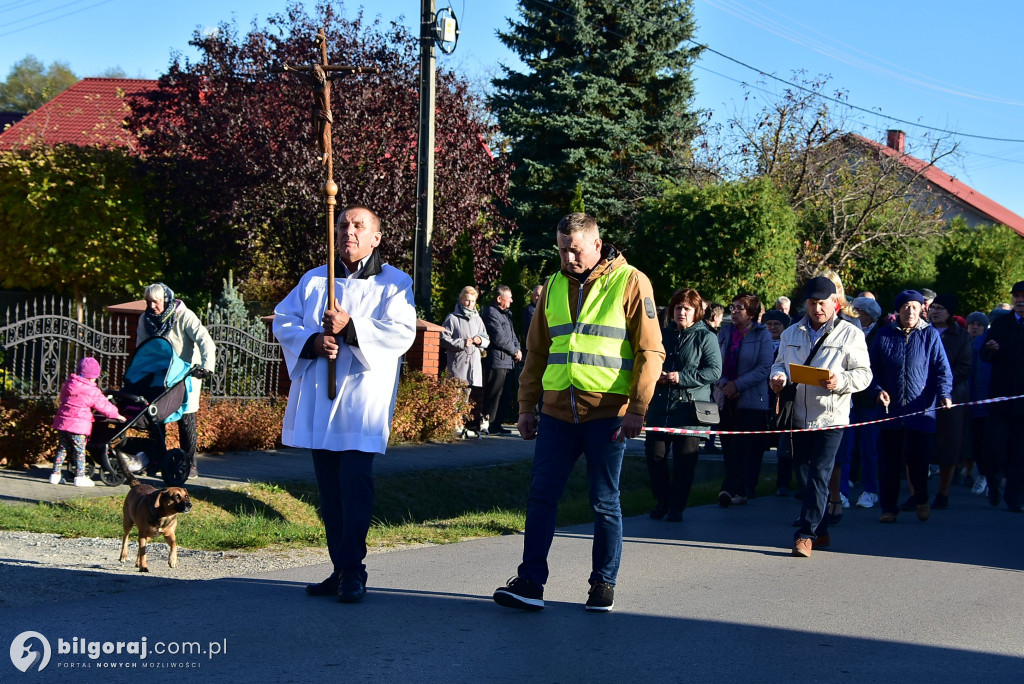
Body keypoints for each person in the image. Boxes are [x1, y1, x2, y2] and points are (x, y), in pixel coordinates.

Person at [492, 212, 664, 613]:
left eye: (576, 249)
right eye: (562, 249)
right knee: (541, 496)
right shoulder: (551, 286)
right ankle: (531, 582)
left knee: (604, 500)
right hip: (556, 413)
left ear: (597, 246)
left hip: (608, 412)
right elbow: (536, 353)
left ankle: (603, 584)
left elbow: (650, 351)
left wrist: (637, 408)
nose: (568, 257)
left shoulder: (631, 281)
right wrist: (525, 407)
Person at [273, 205, 417, 603]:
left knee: (354, 485)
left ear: (376, 237)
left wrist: (351, 326)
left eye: (358, 226)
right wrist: (313, 341)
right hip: (322, 401)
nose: (348, 232)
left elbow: (402, 333)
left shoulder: (395, 283)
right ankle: (339, 568)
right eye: (343, 226)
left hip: (361, 403)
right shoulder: (315, 279)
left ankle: (354, 570)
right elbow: (283, 319)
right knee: (329, 490)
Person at [769, 276, 871, 557]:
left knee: (819, 473)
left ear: (834, 302)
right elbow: (779, 364)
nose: (817, 309)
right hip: (798, 416)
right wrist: (777, 377)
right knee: (802, 472)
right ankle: (822, 528)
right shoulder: (791, 332)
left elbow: (864, 375)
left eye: (822, 303)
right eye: (812, 304)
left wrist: (839, 381)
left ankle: (806, 534)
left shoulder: (851, 334)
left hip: (831, 417)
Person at [869, 290, 952, 523]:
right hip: (890, 411)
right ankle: (888, 508)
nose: (910, 311)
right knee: (889, 464)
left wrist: (944, 394)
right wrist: (878, 391)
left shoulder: (930, 335)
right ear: (898, 310)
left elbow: (941, 369)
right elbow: (870, 371)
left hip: (920, 411)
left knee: (918, 462)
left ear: (921, 310)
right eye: (906, 307)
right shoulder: (884, 335)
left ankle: (922, 498)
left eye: (915, 307)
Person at [644, 288, 722, 522]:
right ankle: (662, 500)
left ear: (696, 312)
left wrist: (681, 378)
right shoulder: (663, 335)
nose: (681, 313)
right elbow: (650, 362)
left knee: (684, 462)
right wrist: (655, 375)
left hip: (689, 409)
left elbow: (714, 371)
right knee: (654, 457)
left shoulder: (705, 336)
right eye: (678, 308)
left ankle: (677, 506)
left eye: (687, 308)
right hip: (660, 406)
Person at [138, 282, 216, 479]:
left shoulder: (184, 315)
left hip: (187, 376)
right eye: (148, 302)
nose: (151, 306)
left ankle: (190, 465)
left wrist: (206, 366)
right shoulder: (145, 320)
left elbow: (205, 340)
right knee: (156, 418)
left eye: (155, 302)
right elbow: (142, 347)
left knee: (186, 419)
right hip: (161, 375)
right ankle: (158, 460)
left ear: (166, 299)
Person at [716, 293, 773, 506]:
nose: (734, 311)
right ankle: (739, 492)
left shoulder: (762, 334)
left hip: (751, 401)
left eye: (739, 308)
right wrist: (724, 384)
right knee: (728, 447)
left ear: (751, 313)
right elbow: (715, 363)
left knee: (741, 447)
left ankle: (728, 489)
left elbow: (764, 368)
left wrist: (738, 385)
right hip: (725, 399)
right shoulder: (725, 332)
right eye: (732, 307)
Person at [979, 280, 1024, 513]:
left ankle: (1014, 498)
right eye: (1016, 296)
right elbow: (984, 354)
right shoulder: (1000, 324)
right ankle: (994, 484)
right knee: (995, 448)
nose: (1020, 300)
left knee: (1019, 452)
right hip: (999, 399)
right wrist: (990, 348)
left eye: (1023, 296)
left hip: (1022, 404)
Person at [50, 357, 126, 487]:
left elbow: (63, 398)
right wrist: (117, 414)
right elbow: (103, 405)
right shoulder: (91, 390)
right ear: (92, 376)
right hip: (78, 427)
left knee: (62, 449)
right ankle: (80, 477)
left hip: (63, 423)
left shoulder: (69, 384)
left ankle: (55, 475)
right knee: (79, 451)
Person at [927, 293, 972, 509]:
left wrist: (943, 383)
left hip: (951, 397)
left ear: (950, 312)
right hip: (923, 396)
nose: (934, 311)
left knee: (949, 446)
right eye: (933, 307)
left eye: (940, 308)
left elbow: (965, 366)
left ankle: (943, 491)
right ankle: (917, 493)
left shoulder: (961, 335)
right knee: (920, 444)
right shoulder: (923, 331)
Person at [848, 296, 883, 508]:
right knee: (847, 446)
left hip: (872, 399)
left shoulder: (882, 333)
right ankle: (842, 489)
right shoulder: (849, 331)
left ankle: (871, 489)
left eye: (857, 311)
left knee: (870, 449)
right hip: (850, 396)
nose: (852, 315)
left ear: (868, 315)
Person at [441, 286, 490, 435]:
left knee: (466, 398)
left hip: (473, 364)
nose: (470, 304)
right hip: (458, 363)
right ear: (461, 300)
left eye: (473, 301)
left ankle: (461, 425)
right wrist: (462, 342)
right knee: (455, 397)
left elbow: (487, 339)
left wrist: (479, 339)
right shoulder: (452, 318)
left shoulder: (478, 319)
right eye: (467, 301)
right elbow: (443, 339)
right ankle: (454, 426)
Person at [481, 285, 522, 435]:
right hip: (497, 360)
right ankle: (490, 423)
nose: (511, 300)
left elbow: (512, 335)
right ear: (499, 299)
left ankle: (498, 423)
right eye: (509, 297)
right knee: (494, 394)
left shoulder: (506, 314)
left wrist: (517, 349)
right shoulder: (491, 313)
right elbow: (499, 338)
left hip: (508, 361)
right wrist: (514, 350)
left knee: (504, 395)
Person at [964, 311, 991, 496]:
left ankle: (986, 475)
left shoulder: (989, 346)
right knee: (973, 442)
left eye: (979, 325)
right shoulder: (963, 341)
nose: (975, 327)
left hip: (986, 401)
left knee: (987, 442)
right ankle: (976, 473)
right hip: (965, 401)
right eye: (972, 324)